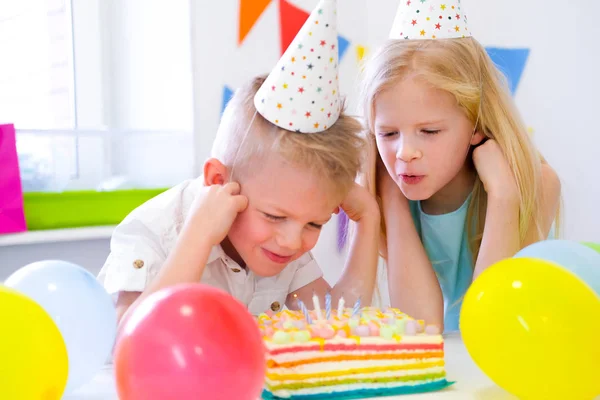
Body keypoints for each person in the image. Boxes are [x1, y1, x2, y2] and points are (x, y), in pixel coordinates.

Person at [98, 0, 381, 324]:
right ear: (218, 182)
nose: (292, 241)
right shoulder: (154, 230)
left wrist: (369, 219)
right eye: (274, 216)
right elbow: (131, 342)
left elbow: (337, 323)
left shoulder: (283, 245)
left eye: (314, 224)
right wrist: (198, 236)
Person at [359, 0, 561, 331]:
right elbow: (421, 326)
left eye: (429, 131)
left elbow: (493, 323)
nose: (405, 152)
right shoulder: (385, 190)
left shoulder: (535, 183)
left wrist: (503, 197)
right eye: (388, 133)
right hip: (445, 363)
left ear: (476, 123)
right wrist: (390, 200)